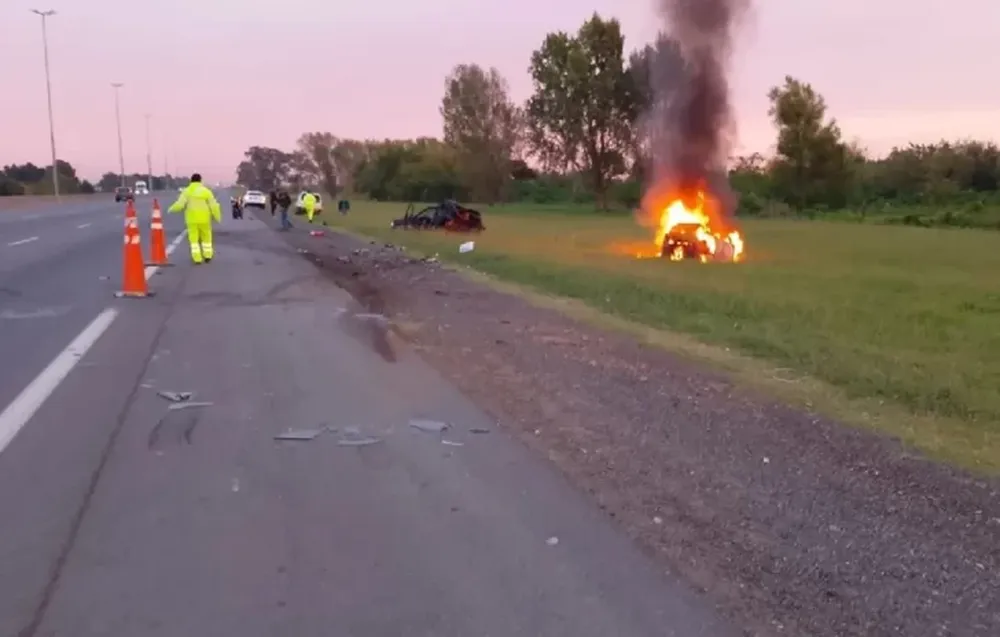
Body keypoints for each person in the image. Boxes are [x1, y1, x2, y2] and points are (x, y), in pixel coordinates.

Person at [168, 173, 221, 264]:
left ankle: (197, 258)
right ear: (200, 180)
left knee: (194, 240)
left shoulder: (187, 191)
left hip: (191, 219)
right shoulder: (206, 191)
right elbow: (214, 206)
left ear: (191, 181)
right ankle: (208, 255)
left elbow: (180, 205)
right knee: (206, 238)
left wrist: (171, 209)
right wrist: (217, 217)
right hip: (204, 219)